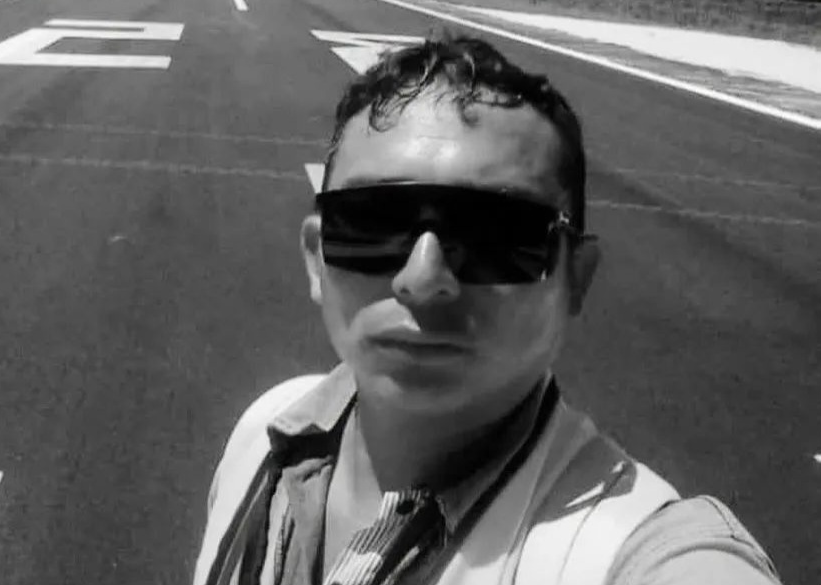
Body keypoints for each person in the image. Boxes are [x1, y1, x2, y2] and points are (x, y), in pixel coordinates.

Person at [193, 35, 782, 585]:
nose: (423, 279)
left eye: (497, 234)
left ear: (576, 278)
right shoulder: (263, 434)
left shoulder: (638, 552)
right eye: (370, 224)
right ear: (316, 259)